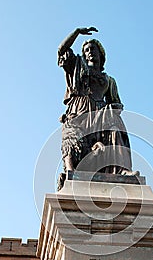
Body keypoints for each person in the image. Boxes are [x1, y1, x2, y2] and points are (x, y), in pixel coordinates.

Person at [57, 27, 137, 175]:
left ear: (101, 53)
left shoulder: (109, 80)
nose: (89, 52)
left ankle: (122, 169)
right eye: (86, 49)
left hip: (101, 114)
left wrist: (114, 108)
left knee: (115, 126)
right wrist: (76, 32)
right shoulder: (78, 67)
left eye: (93, 49)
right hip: (80, 110)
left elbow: (116, 103)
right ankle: (71, 170)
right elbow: (62, 50)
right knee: (72, 137)